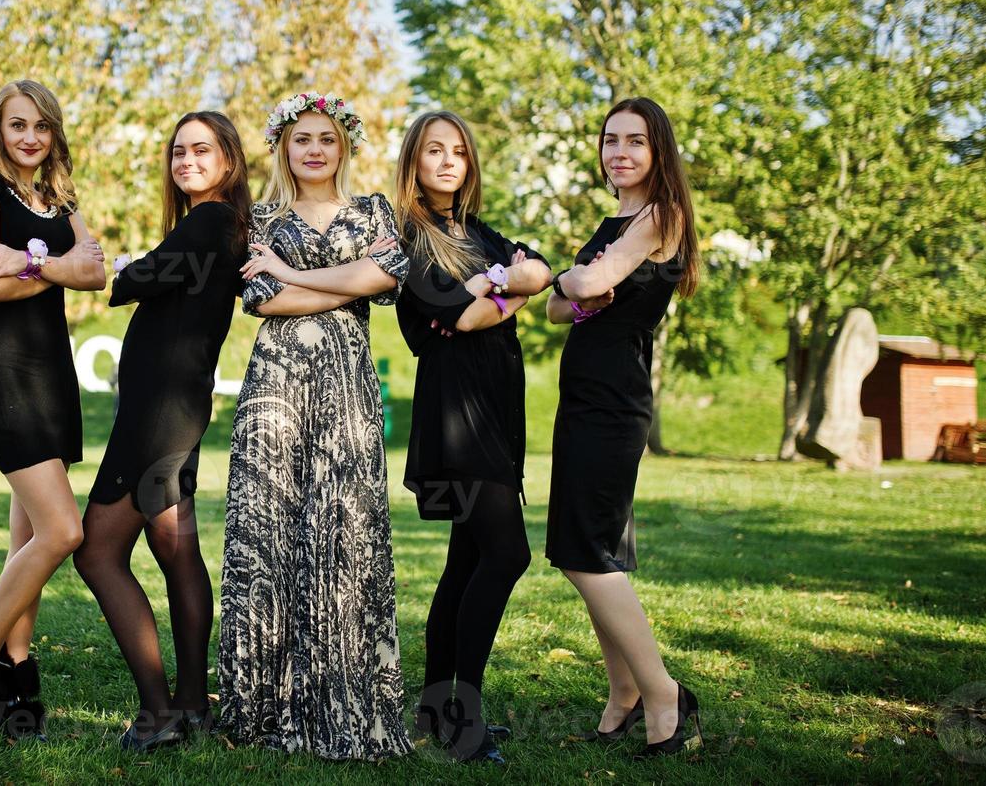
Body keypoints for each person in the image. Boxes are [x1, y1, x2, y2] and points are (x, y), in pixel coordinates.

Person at [217, 91, 412, 761]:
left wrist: (294, 273)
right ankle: (261, 707)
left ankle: (342, 700)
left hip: (347, 385)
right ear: (283, 147)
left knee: (343, 528)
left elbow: (389, 280)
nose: (313, 149)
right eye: (301, 138)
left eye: (325, 138)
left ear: (341, 146)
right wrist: (349, 279)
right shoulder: (260, 216)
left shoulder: (375, 211)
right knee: (269, 533)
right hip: (275, 388)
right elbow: (260, 299)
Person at [0, 79, 105, 742]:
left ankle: (14, 677)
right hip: (2, 374)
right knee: (62, 532)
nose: (29, 137)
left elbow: (96, 273)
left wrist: (29, 258)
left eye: (40, 127)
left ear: (53, 133)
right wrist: (52, 262)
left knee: (26, 537)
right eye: (17, 126)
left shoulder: (58, 197)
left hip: (51, 376)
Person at [73, 111, 251, 753]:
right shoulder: (216, 225)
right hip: (174, 408)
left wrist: (120, 263)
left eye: (202, 150)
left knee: (96, 552)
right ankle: (195, 705)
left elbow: (131, 281)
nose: (187, 161)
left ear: (229, 158)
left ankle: (158, 714)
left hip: (156, 416)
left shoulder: (210, 220)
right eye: (178, 152)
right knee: (175, 552)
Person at [543, 97, 702, 759]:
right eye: (610, 140)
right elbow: (559, 306)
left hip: (613, 401)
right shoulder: (612, 218)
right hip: (582, 396)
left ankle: (663, 694)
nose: (620, 152)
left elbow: (588, 283)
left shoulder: (658, 214)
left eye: (635, 141)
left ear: (656, 150)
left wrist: (564, 278)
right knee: (586, 550)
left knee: (584, 555)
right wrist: (569, 282)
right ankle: (622, 696)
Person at [393, 111, 552, 764]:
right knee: (506, 554)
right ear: (414, 161)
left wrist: (497, 286)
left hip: (495, 408)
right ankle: (462, 717)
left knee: (466, 561)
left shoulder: (475, 230)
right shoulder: (410, 237)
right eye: (434, 150)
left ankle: (436, 707)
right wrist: (498, 288)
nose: (448, 160)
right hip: (456, 415)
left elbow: (539, 270)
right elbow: (454, 315)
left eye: (458, 150)